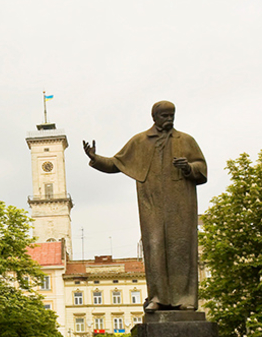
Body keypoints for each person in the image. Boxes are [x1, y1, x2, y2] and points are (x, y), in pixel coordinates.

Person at [83, 101, 207, 312]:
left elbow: (202, 168)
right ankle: (158, 298)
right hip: (152, 204)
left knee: (181, 249)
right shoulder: (140, 141)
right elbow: (116, 164)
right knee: (154, 248)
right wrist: (95, 158)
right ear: (154, 117)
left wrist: (188, 167)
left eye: (172, 116)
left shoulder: (186, 140)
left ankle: (185, 299)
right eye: (165, 116)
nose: (169, 120)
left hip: (180, 204)